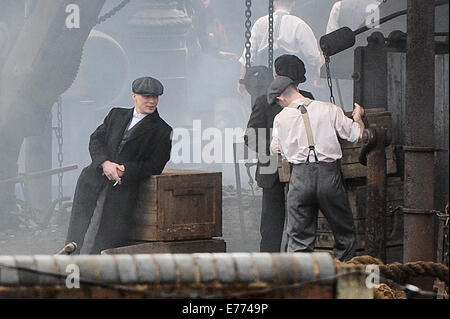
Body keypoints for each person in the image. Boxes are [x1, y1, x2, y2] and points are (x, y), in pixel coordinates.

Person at [66, 77, 173, 254]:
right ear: (134, 96)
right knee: (79, 227)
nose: (152, 101)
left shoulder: (162, 130)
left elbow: (155, 164)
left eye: (155, 97)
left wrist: (126, 170)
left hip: (122, 189)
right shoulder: (116, 114)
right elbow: (96, 140)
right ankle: (70, 265)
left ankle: (95, 271)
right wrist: (104, 163)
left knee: (105, 235)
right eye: (146, 96)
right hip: (92, 181)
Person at [267, 76, 365, 261]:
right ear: (296, 87)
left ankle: (302, 285)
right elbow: (357, 135)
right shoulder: (329, 109)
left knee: (298, 241)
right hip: (330, 176)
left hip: (300, 179)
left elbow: (276, 148)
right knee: (344, 234)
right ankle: (342, 280)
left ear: (280, 98)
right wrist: (358, 118)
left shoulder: (280, 119)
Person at [244, 54, 314, 253]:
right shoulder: (264, 102)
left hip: (301, 171)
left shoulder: (308, 100)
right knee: (272, 226)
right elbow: (251, 136)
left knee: (300, 223)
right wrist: (274, 146)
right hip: (272, 172)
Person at [238, 0, 323, 94]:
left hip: (265, 78)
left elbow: (248, 56)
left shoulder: (260, 23)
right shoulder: (299, 24)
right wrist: (317, 76)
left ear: (274, 2)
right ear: (293, 3)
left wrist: (242, 80)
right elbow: (314, 57)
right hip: (292, 79)